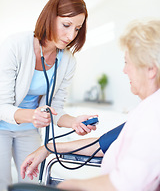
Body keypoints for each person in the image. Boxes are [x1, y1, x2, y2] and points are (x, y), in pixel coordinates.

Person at [22, 19, 160, 191]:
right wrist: (48, 148)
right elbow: (101, 145)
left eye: (127, 62)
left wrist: (70, 185)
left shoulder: (153, 117)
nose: (124, 70)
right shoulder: (146, 110)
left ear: (150, 69)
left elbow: (127, 184)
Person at [0, 0, 97, 190]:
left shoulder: (68, 61)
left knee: (31, 182)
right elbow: (1, 105)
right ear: (50, 17)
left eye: (77, 29)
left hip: (28, 130)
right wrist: (34, 115)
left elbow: (54, 110)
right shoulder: (15, 45)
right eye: (66, 25)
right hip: (2, 126)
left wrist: (73, 122)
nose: (71, 36)